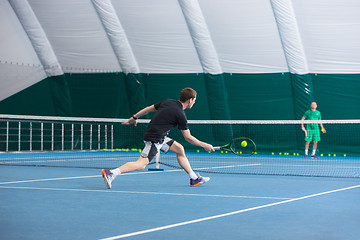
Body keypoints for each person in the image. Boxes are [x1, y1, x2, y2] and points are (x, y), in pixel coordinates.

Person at [101, 88, 215, 189]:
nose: (194, 102)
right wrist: (205, 145)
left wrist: (134, 117)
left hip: (159, 136)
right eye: (194, 100)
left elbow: (147, 109)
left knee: (179, 149)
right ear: (190, 100)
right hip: (154, 139)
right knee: (141, 164)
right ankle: (111, 173)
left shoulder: (167, 102)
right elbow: (188, 138)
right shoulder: (181, 114)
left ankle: (194, 178)